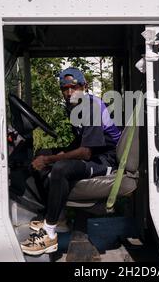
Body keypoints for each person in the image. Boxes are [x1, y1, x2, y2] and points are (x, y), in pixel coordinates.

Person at [20, 67, 122, 256]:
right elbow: (81, 140)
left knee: (59, 167)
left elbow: (85, 152)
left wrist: (52, 159)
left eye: (74, 87)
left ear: (85, 86)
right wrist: (59, 152)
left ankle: (49, 234)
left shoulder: (92, 107)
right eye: (65, 88)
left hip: (106, 160)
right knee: (42, 154)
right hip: (93, 154)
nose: (69, 93)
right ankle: (57, 217)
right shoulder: (76, 106)